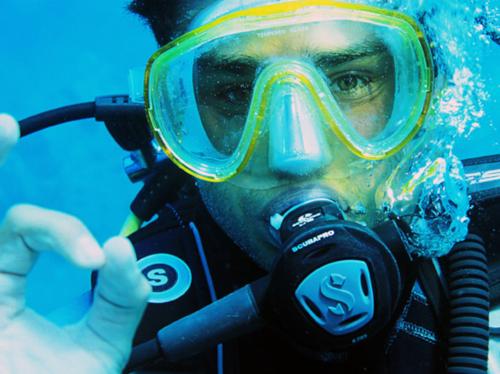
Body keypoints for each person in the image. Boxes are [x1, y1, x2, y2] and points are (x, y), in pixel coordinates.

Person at [0, 0, 498, 373]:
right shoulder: (113, 326)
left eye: (349, 81)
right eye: (235, 93)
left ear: (425, 97)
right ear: (178, 122)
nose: (298, 155)